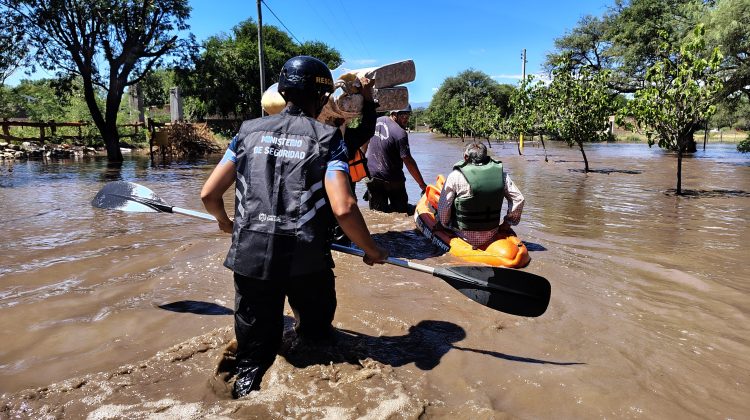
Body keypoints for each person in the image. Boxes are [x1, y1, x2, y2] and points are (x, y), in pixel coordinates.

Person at [200, 55, 388, 399]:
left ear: (283, 91)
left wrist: (227, 224)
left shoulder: (246, 132)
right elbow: (344, 208)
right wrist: (372, 250)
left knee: (252, 358)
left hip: (249, 256)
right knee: (316, 337)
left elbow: (209, 193)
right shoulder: (328, 139)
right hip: (306, 259)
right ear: (322, 97)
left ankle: (242, 398)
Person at [436, 142, 525, 248]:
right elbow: (519, 199)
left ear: (465, 157)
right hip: (492, 232)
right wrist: (507, 224)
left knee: (438, 215)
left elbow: (444, 209)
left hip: (462, 234)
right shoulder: (502, 176)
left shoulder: (455, 176)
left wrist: (444, 225)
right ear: (486, 156)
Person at [364, 104, 428, 213]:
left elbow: (364, 145)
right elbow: (408, 160)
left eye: (408, 116)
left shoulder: (376, 121)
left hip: (373, 176)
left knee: (377, 213)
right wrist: (422, 184)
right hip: (393, 180)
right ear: (394, 115)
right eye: (403, 116)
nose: (406, 119)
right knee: (401, 212)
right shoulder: (400, 133)